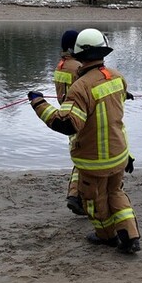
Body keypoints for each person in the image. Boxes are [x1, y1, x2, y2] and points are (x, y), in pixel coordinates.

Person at [28, 28, 141, 254]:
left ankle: (107, 236)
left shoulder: (81, 87)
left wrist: (38, 104)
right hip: (119, 153)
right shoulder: (117, 77)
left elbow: (67, 124)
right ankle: (131, 237)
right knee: (116, 193)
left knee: (94, 201)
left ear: (79, 54)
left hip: (94, 160)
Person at [54, 29, 83, 214]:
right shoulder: (78, 67)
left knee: (79, 157)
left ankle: (76, 195)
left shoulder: (60, 66)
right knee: (84, 159)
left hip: (65, 115)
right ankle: (75, 195)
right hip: (80, 117)